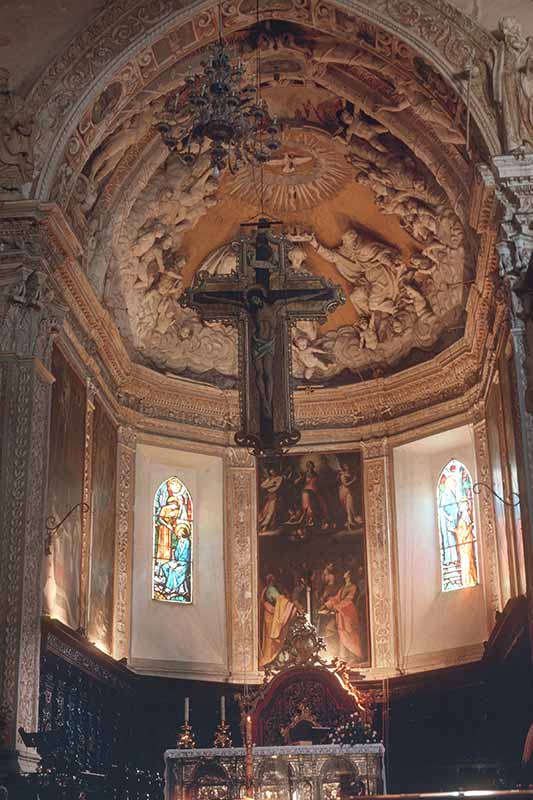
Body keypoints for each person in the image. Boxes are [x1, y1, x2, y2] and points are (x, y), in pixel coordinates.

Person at [320, 569, 364, 665]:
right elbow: (336, 599)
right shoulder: (343, 588)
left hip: (348, 612)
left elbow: (349, 600)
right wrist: (327, 605)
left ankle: (354, 656)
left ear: (349, 575)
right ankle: (344, 657)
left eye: (346, 572)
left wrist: (335, 608)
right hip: (341, 613)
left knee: (349, 633)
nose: (344, 573)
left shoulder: (353, 587)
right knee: (342, 633)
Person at [259, 574, 300, 667]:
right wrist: (289, 604)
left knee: (270, 640)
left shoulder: (269, 589)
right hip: (270, 616)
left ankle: (270, 659)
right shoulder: (271, 589)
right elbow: (279, 600)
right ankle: (269, 659)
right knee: (270, 640)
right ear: (272, 580)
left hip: (270, 615)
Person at [157, 524, 191, 600]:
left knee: (173, 570)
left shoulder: (187, 542)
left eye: (179, 531)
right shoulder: (179, 542)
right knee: (165, 567)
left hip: (184, 564)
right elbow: (177, 554)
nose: (177, 532)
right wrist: (174, 554)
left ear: (183, 532)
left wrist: (178, 563)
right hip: (177, 562)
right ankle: (170, 584)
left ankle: (169, 588)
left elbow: (186, 556)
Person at [297, 460, 330, 529]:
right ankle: (309, 520)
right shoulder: (305, 474)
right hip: (306, 491)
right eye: (308, 466)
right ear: (307, 467)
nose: (310, 467)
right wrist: (299, 479)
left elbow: (318, 483)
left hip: (315, 491)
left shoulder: (316, 474)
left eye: (311, 466)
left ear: (313, 466)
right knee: (307, 505)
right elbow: (299, 482)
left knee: (321, 504)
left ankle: (320, 521)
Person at [258, 466, 284, 531]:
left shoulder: (279, 478)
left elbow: (277, 487)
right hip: (269, 497)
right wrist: (270, 484)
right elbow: (262, 486)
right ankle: (262, 525)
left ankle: (266, 526)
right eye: (271, 472)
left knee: (271, 511)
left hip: (275, 497)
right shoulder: (270, 478)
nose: (272, 473)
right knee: (265, 511)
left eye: (273, 471)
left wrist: (269, 486)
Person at [337, 462, 362, 530]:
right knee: (350, 508)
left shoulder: (351, 473)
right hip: (347, 493)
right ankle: (350, 522)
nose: (347, 466)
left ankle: (352, 522)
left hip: (352, 492)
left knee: (353, 507)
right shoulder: (343, 475)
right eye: (345, 465)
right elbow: (346, 485)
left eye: (347, 465)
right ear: (343, 467)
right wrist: (354, 480)